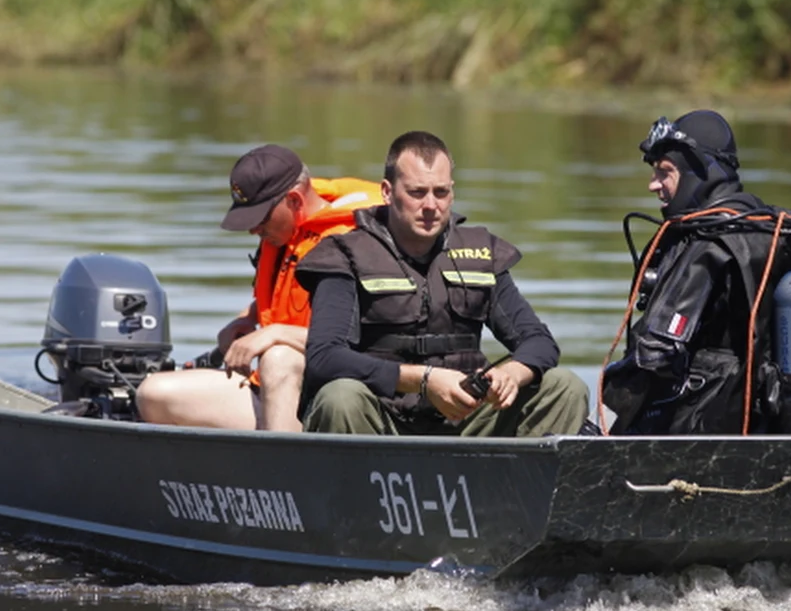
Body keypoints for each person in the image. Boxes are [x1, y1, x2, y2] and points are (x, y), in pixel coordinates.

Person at [600, 110, 791, 436]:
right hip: (779, 429)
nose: (653, 184)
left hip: (701, 433)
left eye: (665, 172)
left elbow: (654, 356)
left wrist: (602, 427)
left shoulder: (705, 242)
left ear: (699, 171)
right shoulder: (788, 232)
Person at [294, 130, 590, 437]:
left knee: (564, 386)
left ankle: (518, 482)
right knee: (340, 396)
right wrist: (424, 380)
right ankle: (357, 483)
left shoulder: (480, 252)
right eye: (417, 193)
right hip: (380, 422)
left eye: (441, 192)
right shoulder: (343, 254)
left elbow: (539, 342)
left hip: (466, 420)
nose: (431, 206)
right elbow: (324, 358)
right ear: (387, 191)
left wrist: (510, 375)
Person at [136, 145, 380, 432]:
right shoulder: (285, 232)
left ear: (293, 200)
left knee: (278, 356)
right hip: (273, 387)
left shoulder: (354, 242)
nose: (254, 230)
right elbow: (291, 298)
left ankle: (282, 466)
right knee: (153, 394)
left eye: (260, 218)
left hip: (328, 397)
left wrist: (273, 334)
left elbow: (362, 344)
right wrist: (248, 319)